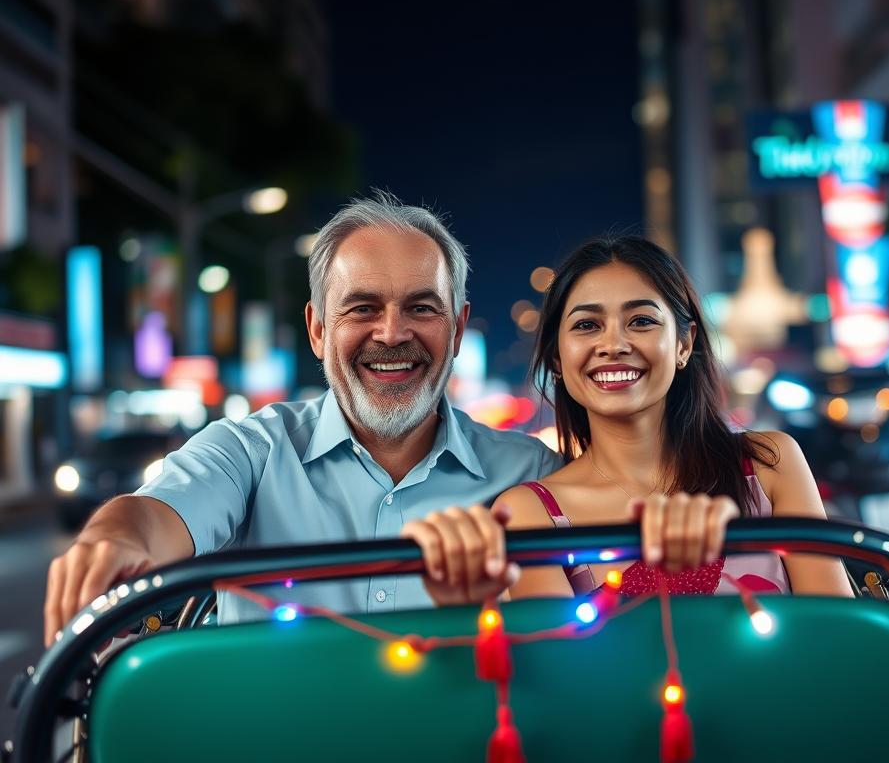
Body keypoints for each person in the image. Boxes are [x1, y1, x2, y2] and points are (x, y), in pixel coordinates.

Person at [43, 192, 560, 645]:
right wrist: (110, 541)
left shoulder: (532, 472)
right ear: (316, 329)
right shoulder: (248, 451)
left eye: (422, 308)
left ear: (459, 329)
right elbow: (153, 514)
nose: (392, 333)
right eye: (362, 309)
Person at [403, 236, 853, 600]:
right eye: (586, 325)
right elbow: (566, 683)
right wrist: (669, 577)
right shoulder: (530, 514)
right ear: (557, 359)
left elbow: (841, 642)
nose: (613, 344)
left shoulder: (768, 463)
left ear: (683, 344)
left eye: (641, 321)